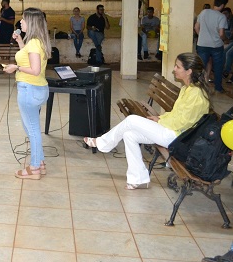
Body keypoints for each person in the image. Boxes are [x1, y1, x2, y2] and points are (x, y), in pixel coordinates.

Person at [84, 52, 212, 189]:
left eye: (178, 67)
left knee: (132, 120)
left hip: (177, 138)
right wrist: (160, 118)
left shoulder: (196, 95)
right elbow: (177, 115)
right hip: (172, 131)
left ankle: (103, 143)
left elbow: (183, 123)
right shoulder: (187, 88)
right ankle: (138, 179)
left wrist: (159, 122)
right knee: (129, 135)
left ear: (189, 71)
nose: (174, 69)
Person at [2, 7, 51, 180]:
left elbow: (35, 69)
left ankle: (35, 168)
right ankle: (41, 162)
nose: (20, 22)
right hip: (36, 89)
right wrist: (20, 42)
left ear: (31, 22)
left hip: (30, 89)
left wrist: (15, 67)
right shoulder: (35, 42)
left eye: (23, 19)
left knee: (32, 131)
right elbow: (29, 57)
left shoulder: (35, 43)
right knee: (32, 129)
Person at [195, 0, 229, 93]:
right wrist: (225, 40)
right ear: (222, 5)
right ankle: (218, 88)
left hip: (202, 45)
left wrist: (202, 37)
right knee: (218, 67)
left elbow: (196, 27)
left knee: (201, 67)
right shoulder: (221, 16)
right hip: (216, 46)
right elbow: (221, 34)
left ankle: (198, 88)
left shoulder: (204, 12)